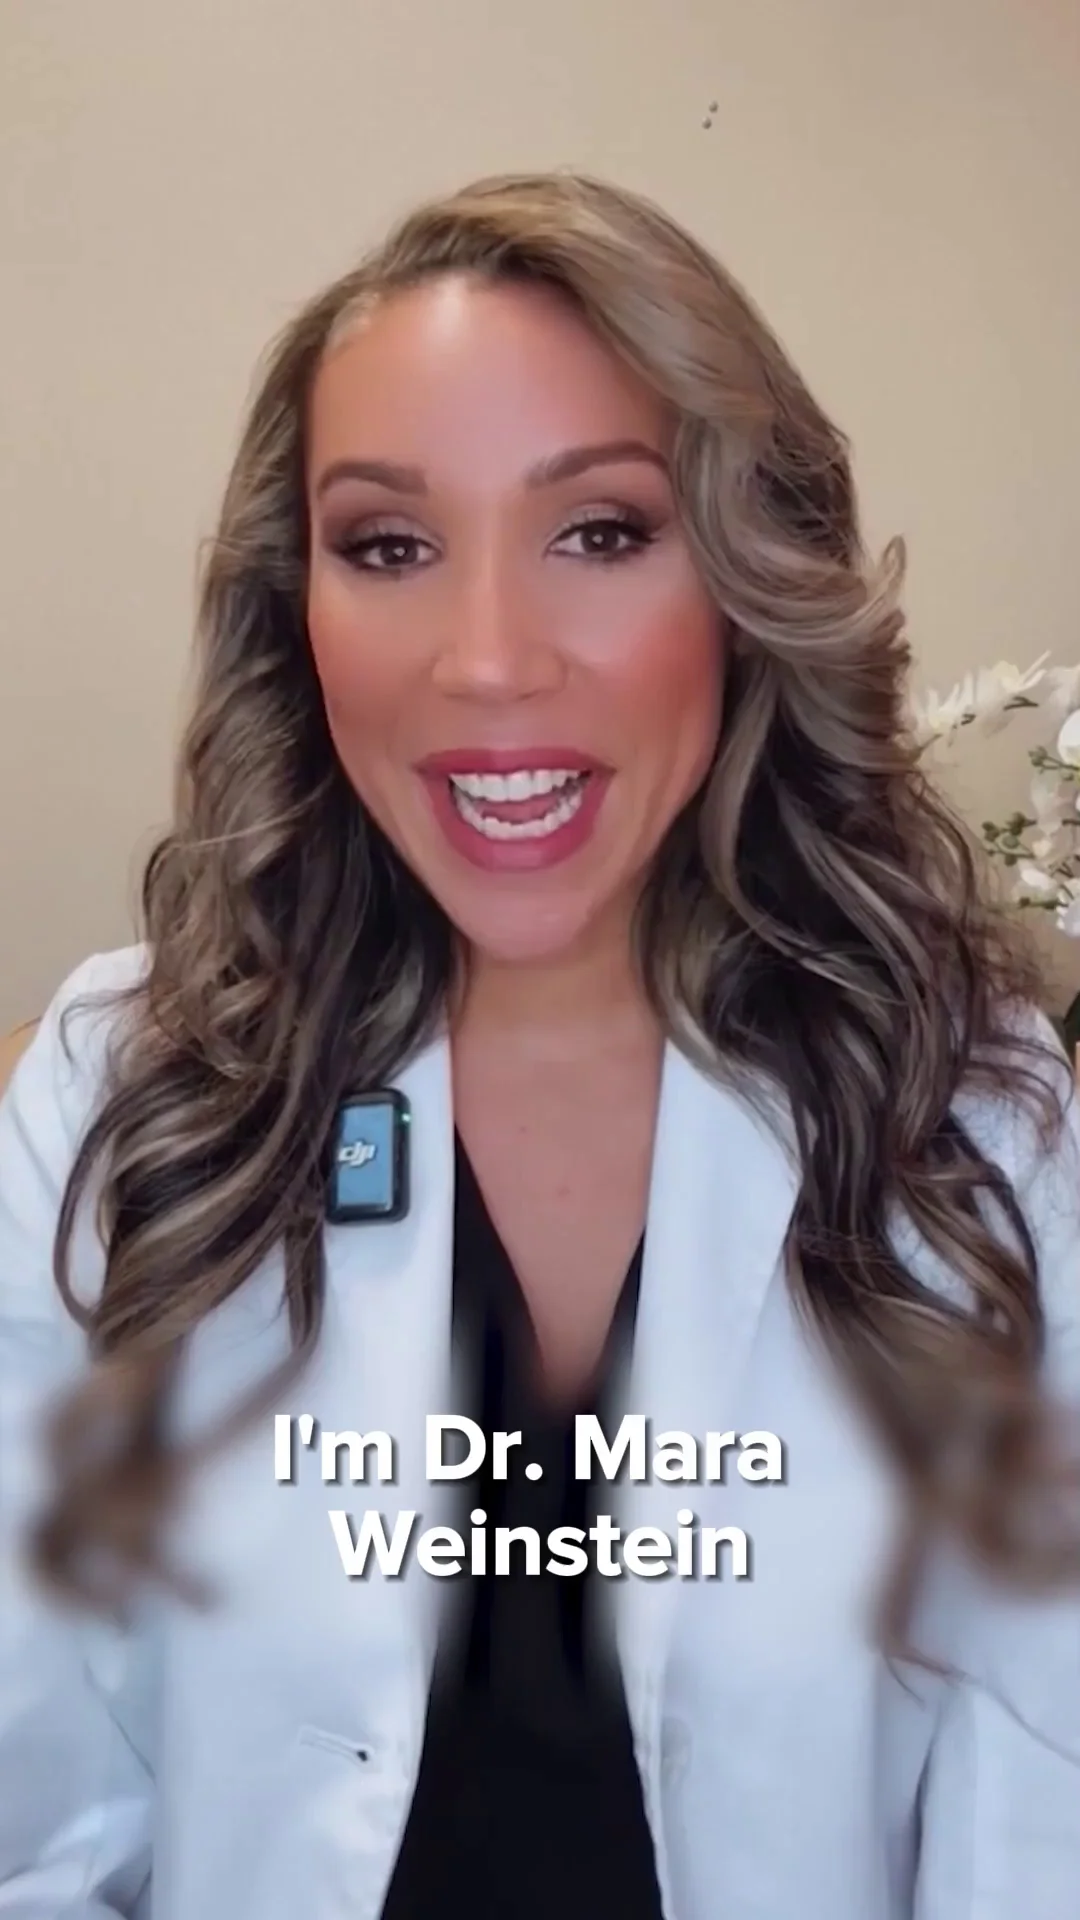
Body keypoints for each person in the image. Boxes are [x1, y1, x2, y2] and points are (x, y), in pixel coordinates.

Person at [1, 170, 1078, 1920]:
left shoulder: (967, 1124)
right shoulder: (118, 1100)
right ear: (296, 606)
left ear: (747, 582)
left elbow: (1038, 1809)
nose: (488, 663)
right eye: (389, 546)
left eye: (599, 532)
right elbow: (35, 1819)